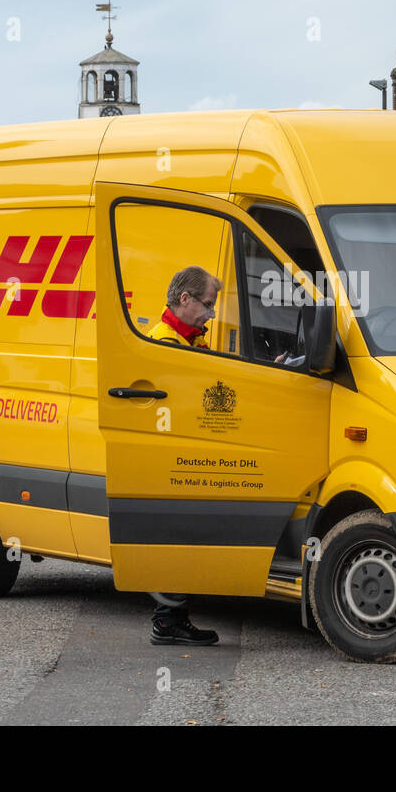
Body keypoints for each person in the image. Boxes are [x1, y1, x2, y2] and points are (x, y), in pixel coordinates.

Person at [145, 265, 221, 646]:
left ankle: (171, 617)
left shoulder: (190, 340)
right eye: (207, 305)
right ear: (185, 299)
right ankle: (167, 619)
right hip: (172, 455)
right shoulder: (165, 341)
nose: (211, 313)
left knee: (183, 535)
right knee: (176, 535)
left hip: (186, 452)